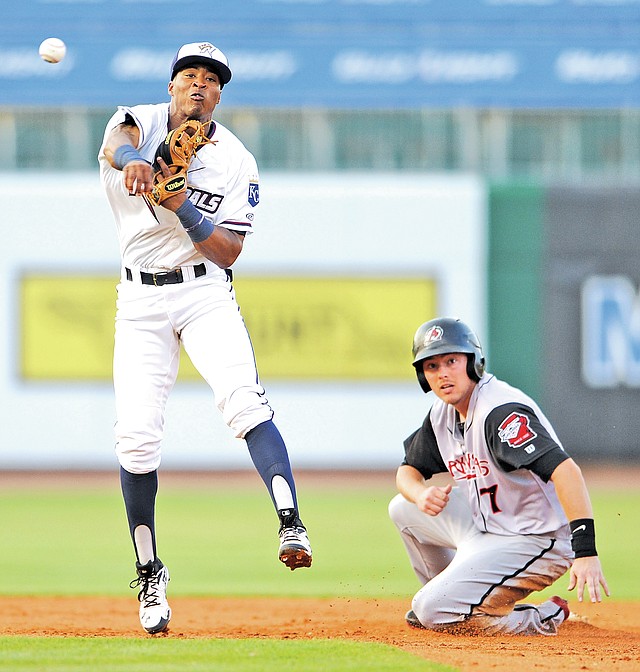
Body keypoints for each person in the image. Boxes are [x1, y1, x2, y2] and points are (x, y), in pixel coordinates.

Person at [98, 41, 312, 635]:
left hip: (203, 290)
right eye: (190, 75)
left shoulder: (236, 159)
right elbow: (117, 144)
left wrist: (182, 205)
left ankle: (290, 520)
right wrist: (137, 160)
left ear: (221, 94)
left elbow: (230, 249)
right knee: (136, 440)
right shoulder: (135, 118)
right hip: (139, 298)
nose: (200, 85)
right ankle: (149, 574)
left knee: (243, 401)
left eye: (212, 81)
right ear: (171, 85)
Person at [388, 317, 609, 636]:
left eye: (452, 360)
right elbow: (407, 471)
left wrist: (586, 550)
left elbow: (566, 471)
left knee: (430, 610)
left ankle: (539, 618)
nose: (443, 373)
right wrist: (420, 493)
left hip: (539, 538)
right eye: (432, 366)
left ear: (474, 363)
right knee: (403, 507)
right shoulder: (443, 414)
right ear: (423, 375)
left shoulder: (500, 414)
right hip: (492, 529)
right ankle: (455, 601)